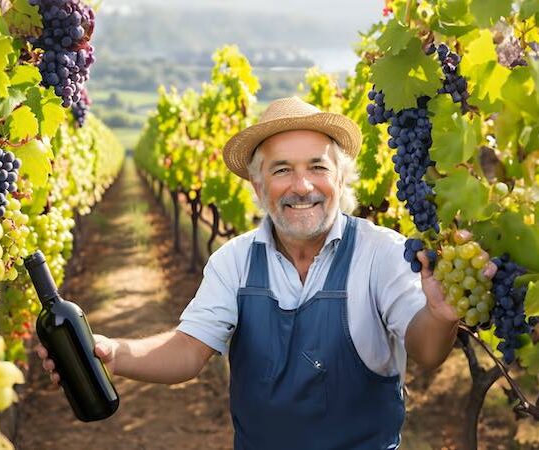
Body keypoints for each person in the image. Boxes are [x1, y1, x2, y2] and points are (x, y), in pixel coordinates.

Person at [37, 96, 496, 449]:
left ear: (339, 178)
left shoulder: (380, 252)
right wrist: (115, 353)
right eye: (282, 170)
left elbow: (427, 351)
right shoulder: (233, 261)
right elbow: (188, 349)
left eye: (317, 167)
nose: (302, 186)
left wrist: (440, 315)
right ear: (258, 186)